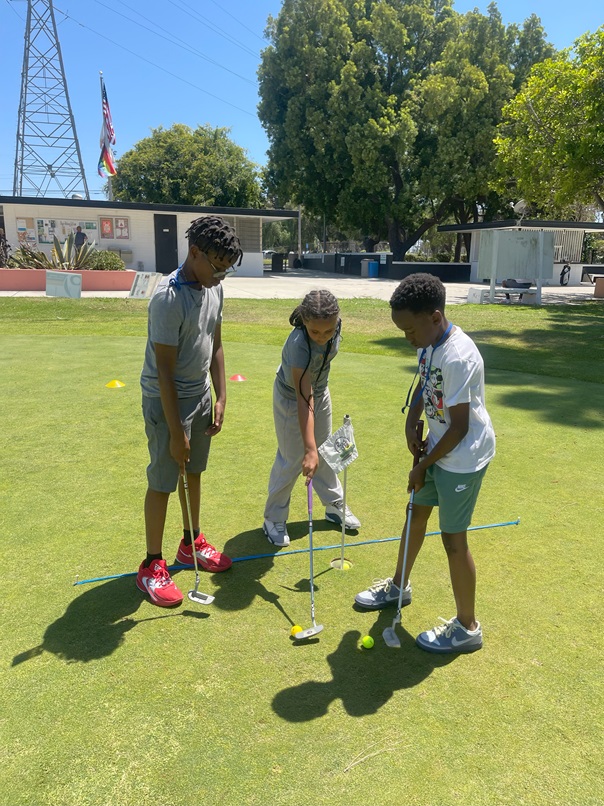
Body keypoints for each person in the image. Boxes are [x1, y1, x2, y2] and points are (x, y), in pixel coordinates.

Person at [355, 274, 495, 653]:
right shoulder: (428, 342)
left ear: (435, 317)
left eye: (410, 329)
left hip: (462, 458)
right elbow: (424, 384)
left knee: (453, 540)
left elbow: (461, 427)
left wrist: (422, 465)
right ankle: (399, 586)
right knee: (415, 514)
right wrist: (410, 422)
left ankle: (468, 628)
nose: (407, 338)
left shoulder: (459, 356)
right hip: (437, 448)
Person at [137, 216, 242, 606]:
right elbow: (163, 370)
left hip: (199, 395)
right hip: (166, 399)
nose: (221, 275)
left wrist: (221, 395)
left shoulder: (214, 289)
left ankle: (190, 542)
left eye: (227, 268)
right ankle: (151, 564)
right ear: (194, 252)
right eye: (216, 266)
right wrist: (176, 429)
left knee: (193, 471)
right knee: (165, 479)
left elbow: (215, 343)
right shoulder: (168, 297)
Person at [263, 289, 361, 547]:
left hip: (320, 390)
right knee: (293, 457)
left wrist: (316, 450)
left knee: (326, 452)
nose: (321, 337)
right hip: (291, 397)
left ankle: (333, 504)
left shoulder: (335, 326)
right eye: (315, 332)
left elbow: (315, 388)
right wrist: (309, 449)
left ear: (336, 320)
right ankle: (273, 517)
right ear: (305, 321)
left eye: (327, 332)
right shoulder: (298, 345)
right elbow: (303, 397)